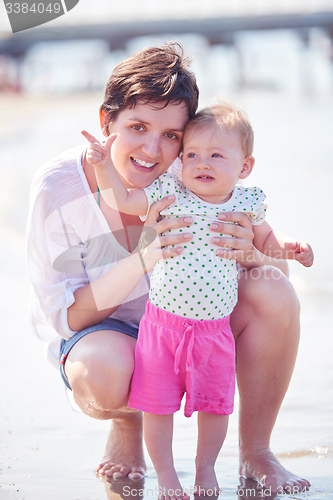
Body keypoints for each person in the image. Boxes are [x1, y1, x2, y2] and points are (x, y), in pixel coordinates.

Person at [27, 42, 311, 493]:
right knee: (100, 375)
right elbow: (66, 316)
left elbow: (280, 283)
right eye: (137, 127)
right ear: (107, 122)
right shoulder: (58, 188)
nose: (153, 149)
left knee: (273, 288)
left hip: (200, 325)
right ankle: (126, 424)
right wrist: (147, 253)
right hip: (110, 336)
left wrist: (255, 255)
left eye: (172, 136)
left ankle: (257, 452)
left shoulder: (199, 167)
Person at [82, 102, 313, 498]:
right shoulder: (171, 191)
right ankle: (167, 475)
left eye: (216, 156)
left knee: (215, 407)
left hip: (215, 333)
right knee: (157, 408)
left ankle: (205, 470)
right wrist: (103, 167)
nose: (200, 163)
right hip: (162, 329)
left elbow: (268, 247)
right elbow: (123, 200)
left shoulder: (246, 203)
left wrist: (289, 248)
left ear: (244, 167)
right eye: (191, 155)